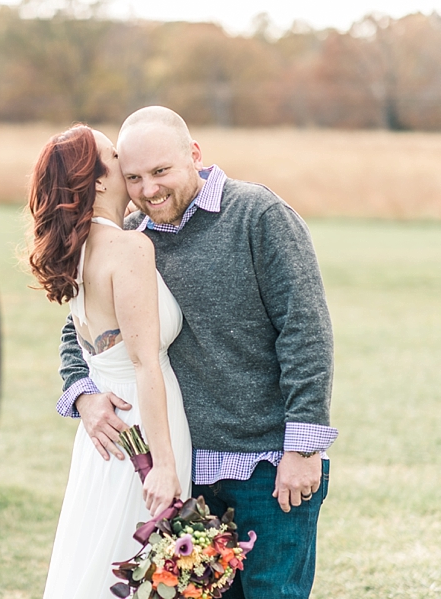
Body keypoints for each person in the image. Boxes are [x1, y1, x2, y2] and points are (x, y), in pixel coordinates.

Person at [57, 106, 336, 599]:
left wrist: (303, 446)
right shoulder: (132, 237)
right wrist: (84, 394)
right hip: (189, 471)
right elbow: (81, 329)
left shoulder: (258, 215)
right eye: (134, 178)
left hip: (269, 465)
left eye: (161, 172)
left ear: (195, 155)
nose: (148, 190)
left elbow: (305, 331)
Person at [27, 124, 192, 598]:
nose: (126, 161)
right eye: (115, 155)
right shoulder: (129, 247)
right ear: (99, 179)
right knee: (138, 566)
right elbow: (145, 364)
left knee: (105, 557)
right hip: (145, 427)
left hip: (105, 435)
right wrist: (163, 465)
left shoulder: (77, 250)